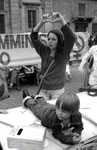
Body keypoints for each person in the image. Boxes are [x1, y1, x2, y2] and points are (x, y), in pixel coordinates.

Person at [30, 11, 75, 100]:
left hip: (57, 91)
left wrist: (61, 20)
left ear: (59, 41)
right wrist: (41, 22)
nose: (50, 41)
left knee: (55, 112)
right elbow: (33, 36)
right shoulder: (44, 50)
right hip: (43, 90)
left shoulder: (64, 52)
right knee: (42, 111)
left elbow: (71, 37)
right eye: (48, 38)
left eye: (53, 39)